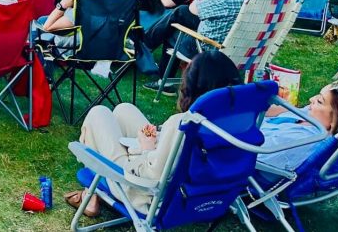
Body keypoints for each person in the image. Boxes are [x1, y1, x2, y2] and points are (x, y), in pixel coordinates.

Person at [66, 49, 242, 217]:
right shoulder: (235, 122)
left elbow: (150, 179)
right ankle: (93, 190)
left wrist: (145, 149)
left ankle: (91, 193)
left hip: (145, 196)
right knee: (123, 109)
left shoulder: (183, 123)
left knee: (99, 113)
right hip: (191, 188)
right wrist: (160, 139)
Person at [142, 0, 274, 90]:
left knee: (176, 26)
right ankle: (146, 44)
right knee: (180, 14)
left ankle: (162, 77)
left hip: (212, 47)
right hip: (253, 48)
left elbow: (193, 8)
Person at [258, 81, 338, 172]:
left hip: (247, 155)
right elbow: (280, 110)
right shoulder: (312, 116)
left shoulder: (300, 139)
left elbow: (253, 154)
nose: (311, 99)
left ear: (335, 121)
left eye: (320, 101)